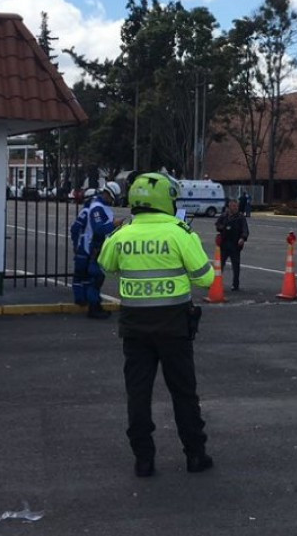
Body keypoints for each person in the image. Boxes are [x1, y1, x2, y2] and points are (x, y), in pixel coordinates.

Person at [97, 172, 217, 477]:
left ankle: (143, 459)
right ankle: (195, 454)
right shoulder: (179, 232)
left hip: (135, 327)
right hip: (174, 326)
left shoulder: (123, 234)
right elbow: (206, 278)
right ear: (165, 199)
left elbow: (105, 264)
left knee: (138, 394)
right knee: (183, 393)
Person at [70, 181, 122, 319]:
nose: (112, 201)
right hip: (94, 248)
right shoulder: (97, 208)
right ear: (107, 194)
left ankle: (94, 304)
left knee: (95, 277)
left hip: (98, 247)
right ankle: (93, 307)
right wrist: (114, 225)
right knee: (95, 277)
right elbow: (98, 229)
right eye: (112, 197)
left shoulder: (101, 207)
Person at [214, 198, 249, 291]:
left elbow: (245, 229)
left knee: (236, 266)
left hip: (235, 244)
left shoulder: (240, 217)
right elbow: (217, 225)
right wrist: (223, 227)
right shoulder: (224, 216)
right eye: (233, 206)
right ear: (229, 207)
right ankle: (216, 282)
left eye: (237, 206)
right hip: (224, 244)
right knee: (220, 265)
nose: (235, 208)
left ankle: (235, 284)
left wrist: (242, 238)